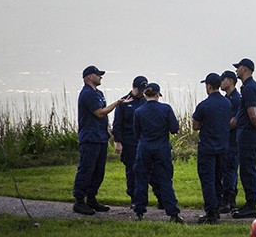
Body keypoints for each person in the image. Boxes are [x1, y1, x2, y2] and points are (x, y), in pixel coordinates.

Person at [73, 65, 132, 216]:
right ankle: (79, 200)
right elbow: (99, 113)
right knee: (86, 169)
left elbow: (103, 116)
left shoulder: (98, 93)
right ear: (89, 77)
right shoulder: (87, 94)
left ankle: (91, 198)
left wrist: (108, 132)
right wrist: (118, 102)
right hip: (90, 137)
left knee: (99, 171)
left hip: (100, 137)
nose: (100, 77)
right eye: (97, 74)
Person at [132, 82, 183, 223]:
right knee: (165, 180)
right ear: (157, 94)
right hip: (161, 148)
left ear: (144, 95)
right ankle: (173, 213)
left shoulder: (139, 111)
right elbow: (174, 128)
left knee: (141, 180)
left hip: (144, 148)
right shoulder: (166, 109)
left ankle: (139, 211)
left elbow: (136, 133)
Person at [112, 75, 161, 207]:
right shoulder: (124, 102)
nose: (141, 92)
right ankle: (134, 198)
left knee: (153, 170)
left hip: (145, 141)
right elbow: (117, 124)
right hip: (129, 142)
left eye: (144, 89)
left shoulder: (146, 101)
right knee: (132, 171)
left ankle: (160, 197)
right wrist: (118, 142)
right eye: (139, 89)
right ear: (133, 87)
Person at [192, 72, 232, 224]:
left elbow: (195, 126)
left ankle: (211, 213)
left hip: (207, 148)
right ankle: (217, 208)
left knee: (207, 180)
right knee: (218, 180)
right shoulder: (227, 103)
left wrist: (204, 124)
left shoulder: (203, 105)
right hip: (223, 147)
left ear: (208, 86)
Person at [232, 58, 256, 218]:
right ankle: (249, 202)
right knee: (248, 168)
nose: (236, 70)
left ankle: (251, 204)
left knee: (248, 169)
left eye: (238, 67)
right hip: (247, 133)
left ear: (245, 69)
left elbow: (252, 113)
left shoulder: (249, 88)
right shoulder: (251, 87)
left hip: (248, 134)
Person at [218, 69, 242, 214]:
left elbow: (234, 122)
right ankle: (229, 200)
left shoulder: (236, 99)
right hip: (225, 141)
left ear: (231, 81)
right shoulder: (226, 98)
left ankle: (228, 200)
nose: (221, 82)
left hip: (232, 141)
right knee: (226, 171)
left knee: (230, 171)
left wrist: (218, 127)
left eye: (223, 79)